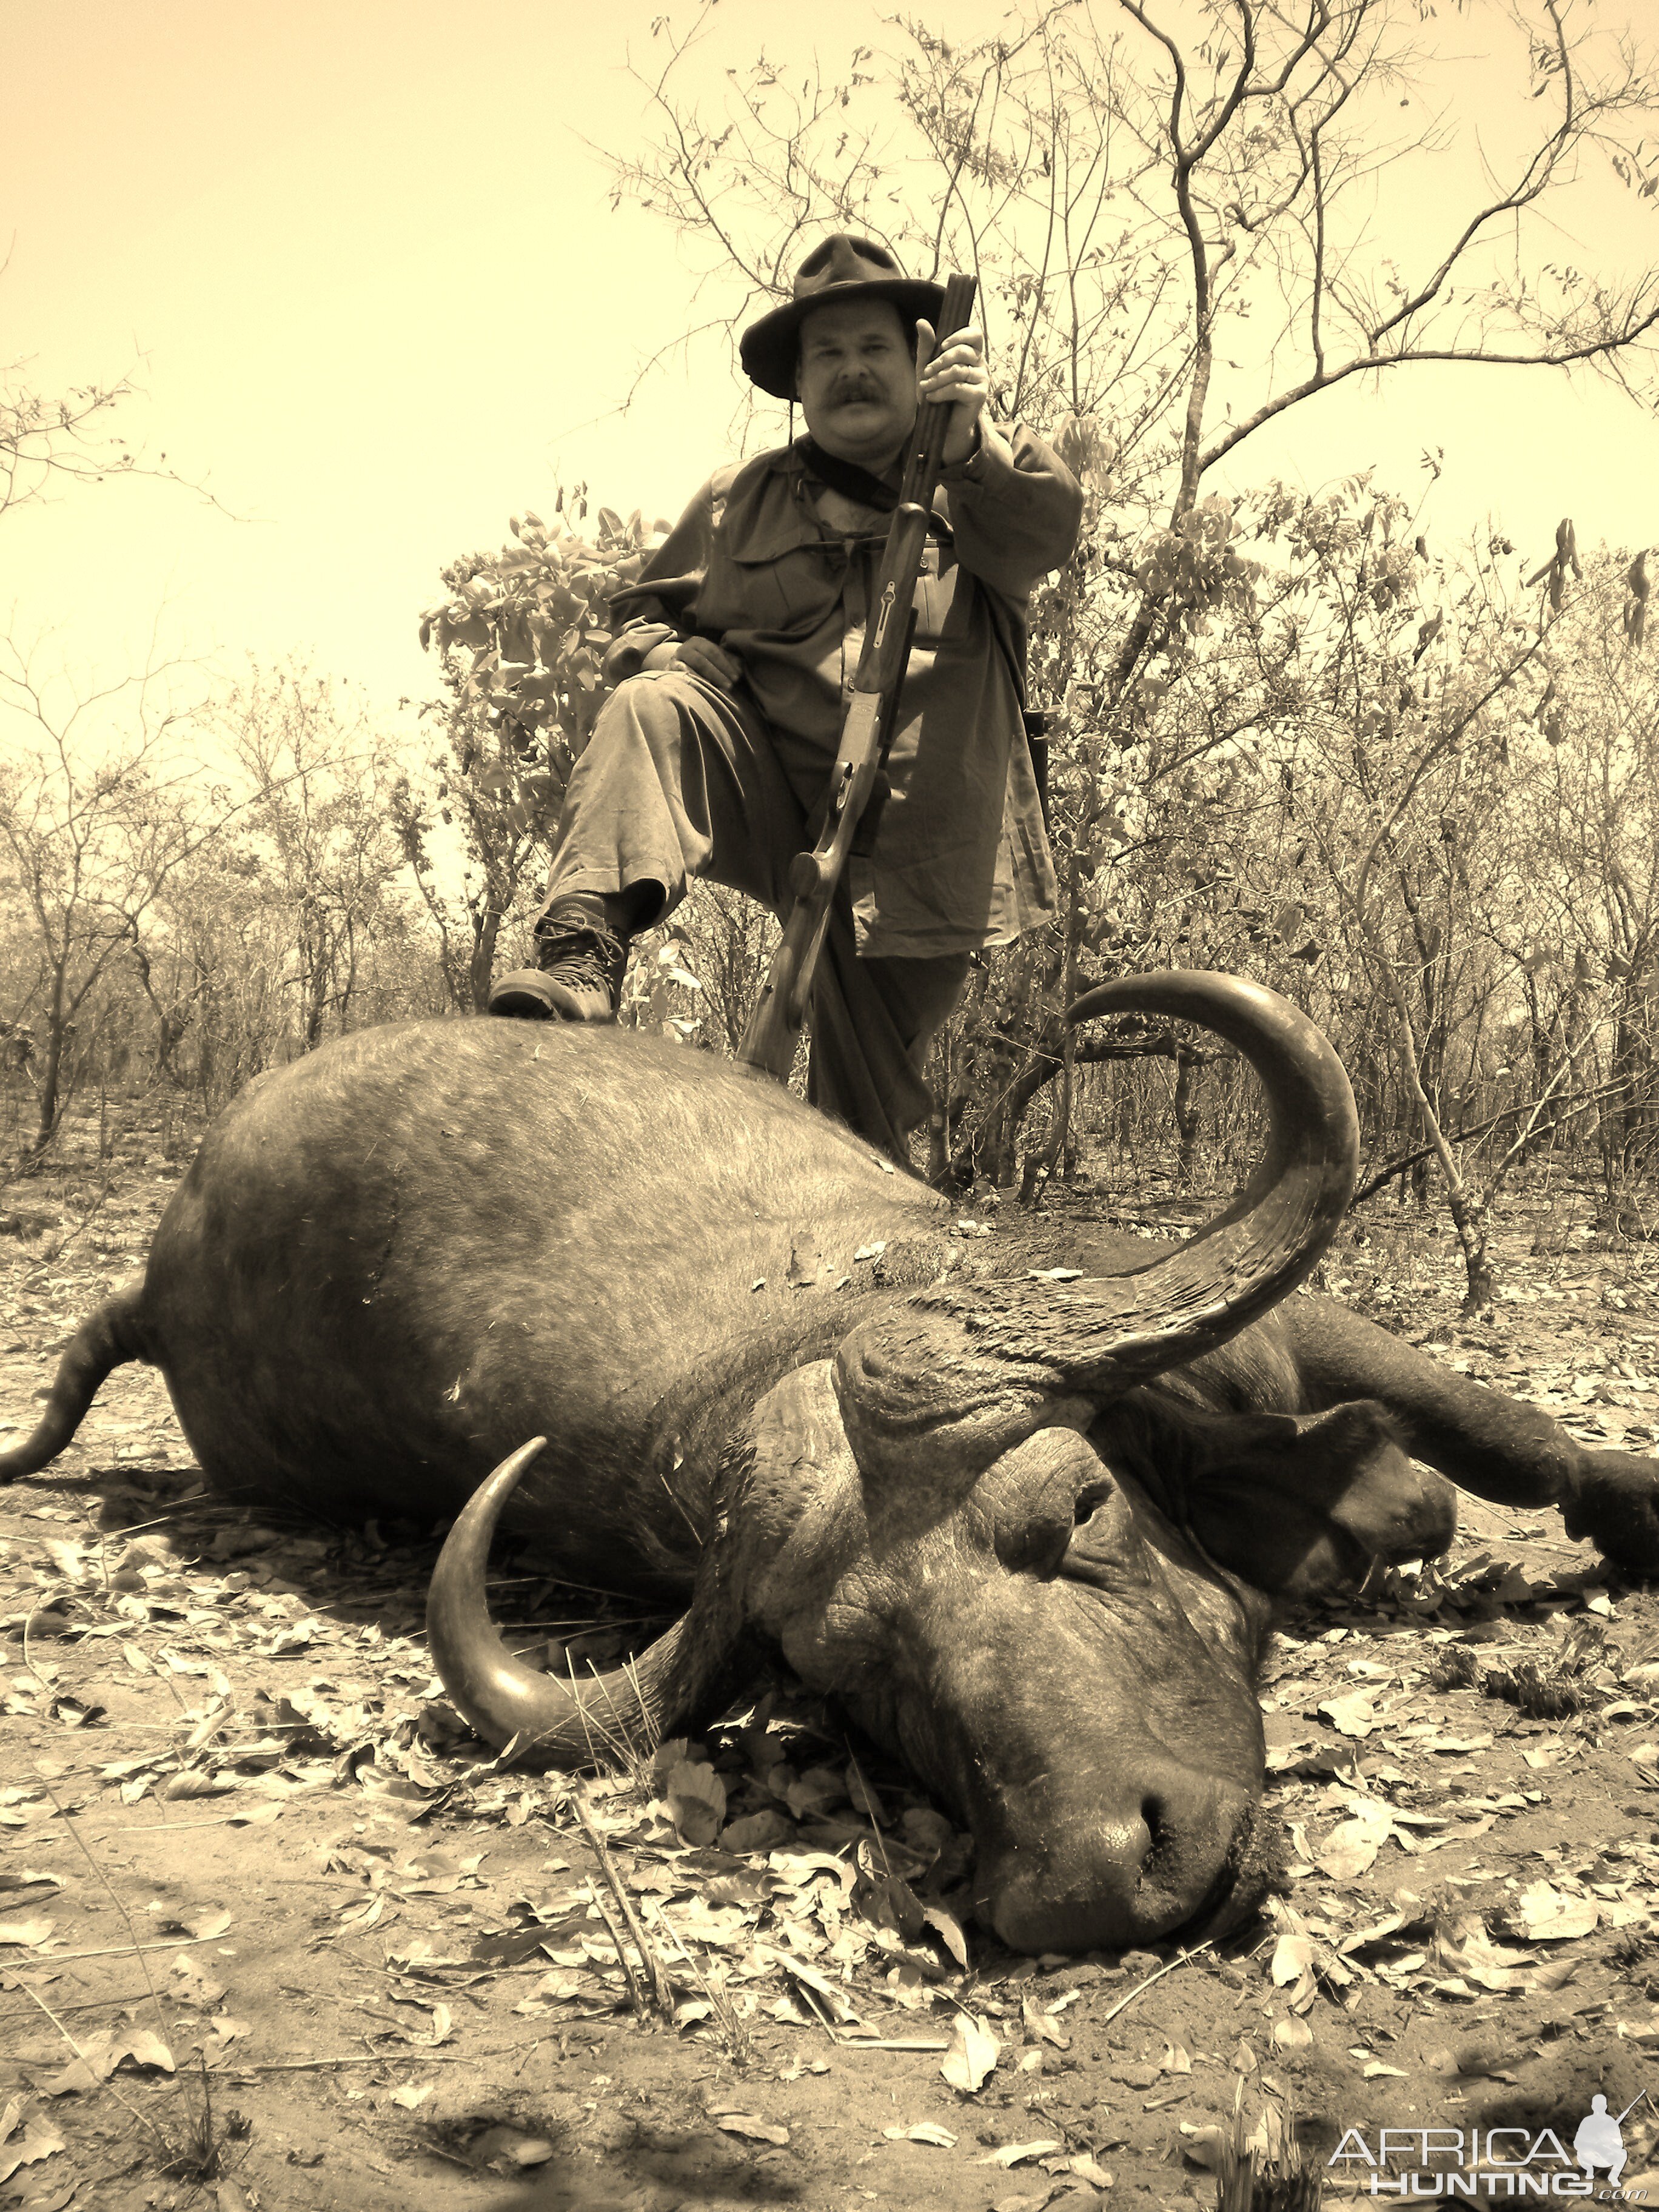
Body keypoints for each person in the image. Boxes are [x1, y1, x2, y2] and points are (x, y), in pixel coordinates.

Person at [489, 233, 1083, 1159]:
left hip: (918, 851)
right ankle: (579, 953)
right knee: (653, 707)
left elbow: (1042, 535)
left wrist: (970, 444)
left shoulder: (987, 484)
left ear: (924, 358)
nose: (852, 372)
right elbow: (637, 617)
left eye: (875, 349)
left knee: (859, 1135)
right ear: (798, 381)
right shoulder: (738, 502)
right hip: (772, 802)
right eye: (828, 354)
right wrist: (669, 654)